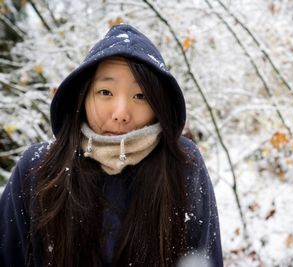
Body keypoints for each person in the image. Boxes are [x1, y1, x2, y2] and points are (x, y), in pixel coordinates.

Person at [0, 24, 223, 267]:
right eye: (105, 92)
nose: (121, 113)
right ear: (83, 96)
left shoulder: (183, 165)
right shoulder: (38, 167)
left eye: (140, 96)